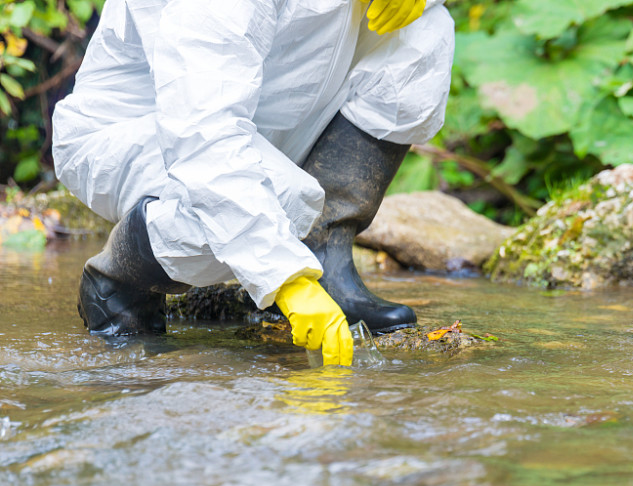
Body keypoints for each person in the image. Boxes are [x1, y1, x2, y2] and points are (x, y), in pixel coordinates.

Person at [52, 0, 455, 366]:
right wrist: (285, 278)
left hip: (269, 122)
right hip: (141, 131)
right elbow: (203, 135)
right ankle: (118, 281)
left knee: (424, 29)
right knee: (277, 199)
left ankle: (324, 256)